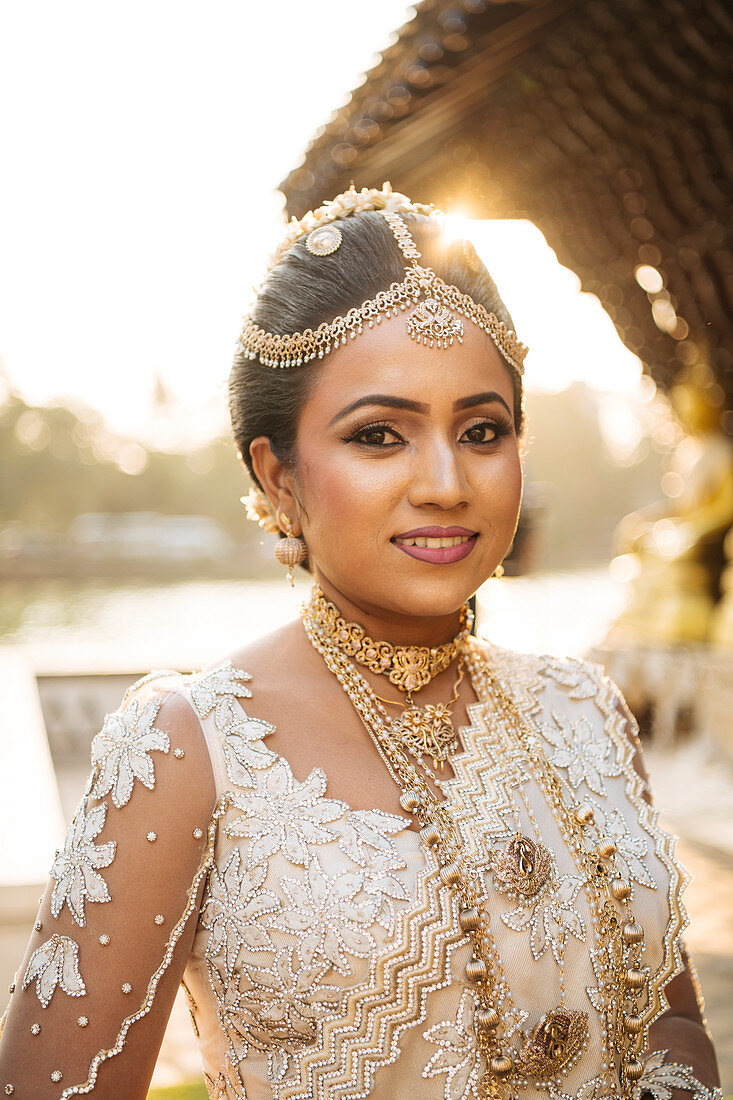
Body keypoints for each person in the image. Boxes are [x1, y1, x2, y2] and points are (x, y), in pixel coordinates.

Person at [0, 185, 721, 1099]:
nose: (447, 482)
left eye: (482, 430)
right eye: (379, 435)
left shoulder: (585, 711)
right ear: (280, 475)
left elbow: (670, 1021)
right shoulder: (192, 749)